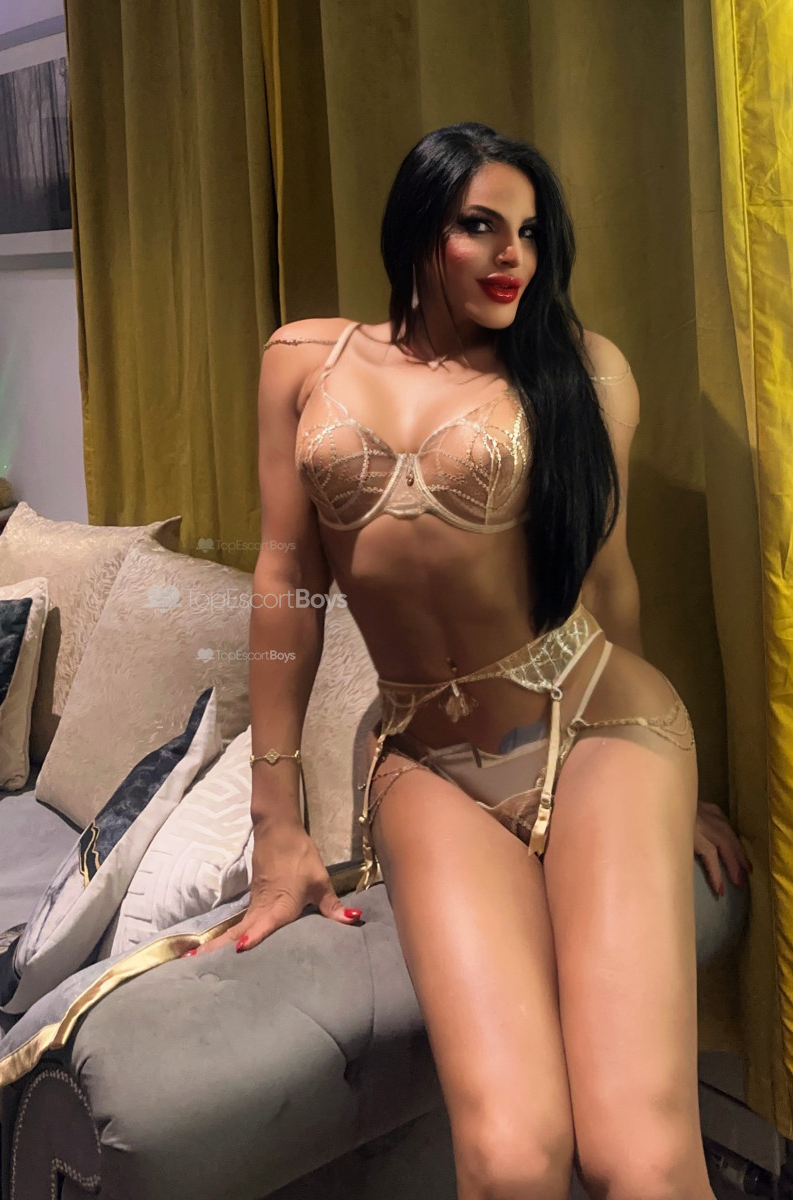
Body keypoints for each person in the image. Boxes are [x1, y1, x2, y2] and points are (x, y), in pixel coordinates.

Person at [191, 123, 751, 1198]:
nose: (512, 257)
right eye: (481, 226)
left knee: (636, 1157)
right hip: (423, 759)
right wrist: (277, 824)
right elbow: (287, 580)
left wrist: (673, 798)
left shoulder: (580, 372)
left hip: (594, 727)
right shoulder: (303, 360)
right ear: (418, 228)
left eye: (530, 233)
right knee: (509, 1158)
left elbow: (608, 579)